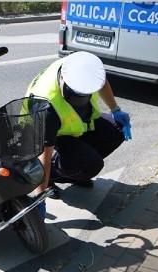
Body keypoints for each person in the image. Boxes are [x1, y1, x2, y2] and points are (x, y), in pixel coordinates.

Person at [26, 51, 131, 213]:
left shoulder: (81, 65)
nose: (80, 101)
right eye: (75, 96)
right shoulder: (46, 106)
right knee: (91, 165)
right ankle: (54, 175)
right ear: (62, 79)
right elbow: (43, 157)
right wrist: (39, 198)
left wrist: (115, 110)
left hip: (77, 124)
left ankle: (74, 171)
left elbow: (102, 82)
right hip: (50, 130)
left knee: (117, 130)